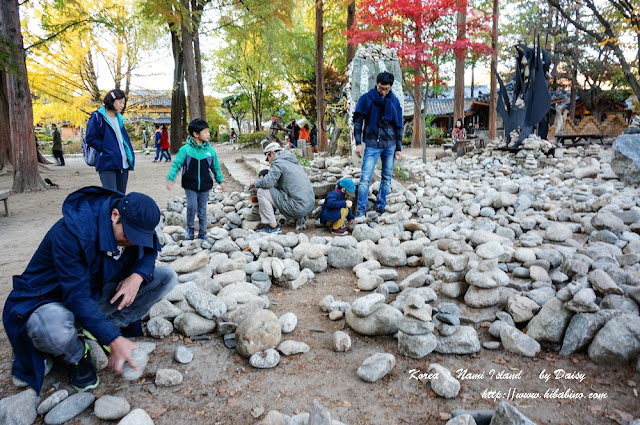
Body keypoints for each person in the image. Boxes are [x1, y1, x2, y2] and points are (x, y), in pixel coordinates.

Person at [3, 187, 177, 393]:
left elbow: (149, 251)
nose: (132, 243)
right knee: (50, 326)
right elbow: (76, 298)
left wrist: (136, 276)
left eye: (139, 237)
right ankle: (77, 355)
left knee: (166, 277)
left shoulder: (133, 221)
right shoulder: (71, 233)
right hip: (52, 300)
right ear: (115, 215)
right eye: (130, 235)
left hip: (94, 291)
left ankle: (105, 326)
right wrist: (113, 340)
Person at [353, 71, 403, 221]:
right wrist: (358, 143)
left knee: (386, 178)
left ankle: (381, 207)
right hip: (372, 143)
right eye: (381, 88)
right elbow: (358, 121)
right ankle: (361, 211)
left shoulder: (394, 102)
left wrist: (399, 148)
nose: (383, 92)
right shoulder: (367, 99)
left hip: (389, 144)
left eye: (386, 89)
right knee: (365, 178)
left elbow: (398, 126)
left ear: (391, 87)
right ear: (377, 84)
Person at [166, 118, 226, 240]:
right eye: (205, 132)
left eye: (208, 131)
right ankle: (190, 229)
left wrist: (221, 181)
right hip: (190, 185)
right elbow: (176, 164)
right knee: (192, 206)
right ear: (196, 134)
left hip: (205, 185)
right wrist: (170, 178)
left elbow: (216, 168)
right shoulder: (185, 150)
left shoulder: (210, 151)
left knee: (203, 210)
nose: (208, 134)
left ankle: (203, 232)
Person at [250, 142, 314, 233]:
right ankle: (300, 219)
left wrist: (255, 182)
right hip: (309, 207)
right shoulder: (292, 161)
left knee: (262, 191)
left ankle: (273, 227)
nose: (268, 161)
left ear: (272, 153)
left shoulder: (278, 162)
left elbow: (268, 183)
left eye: (267, 157)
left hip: (298, 208)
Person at [85, 89, 135, 193]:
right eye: (120, 102)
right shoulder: (97, 117)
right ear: (111, 101)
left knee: (121, 197)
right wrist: (105, 148)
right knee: (111, 195)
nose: (122, 105)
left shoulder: (119, 119)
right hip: (107, 163)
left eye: (124, 103)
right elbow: (90, 138)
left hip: (123, 163)